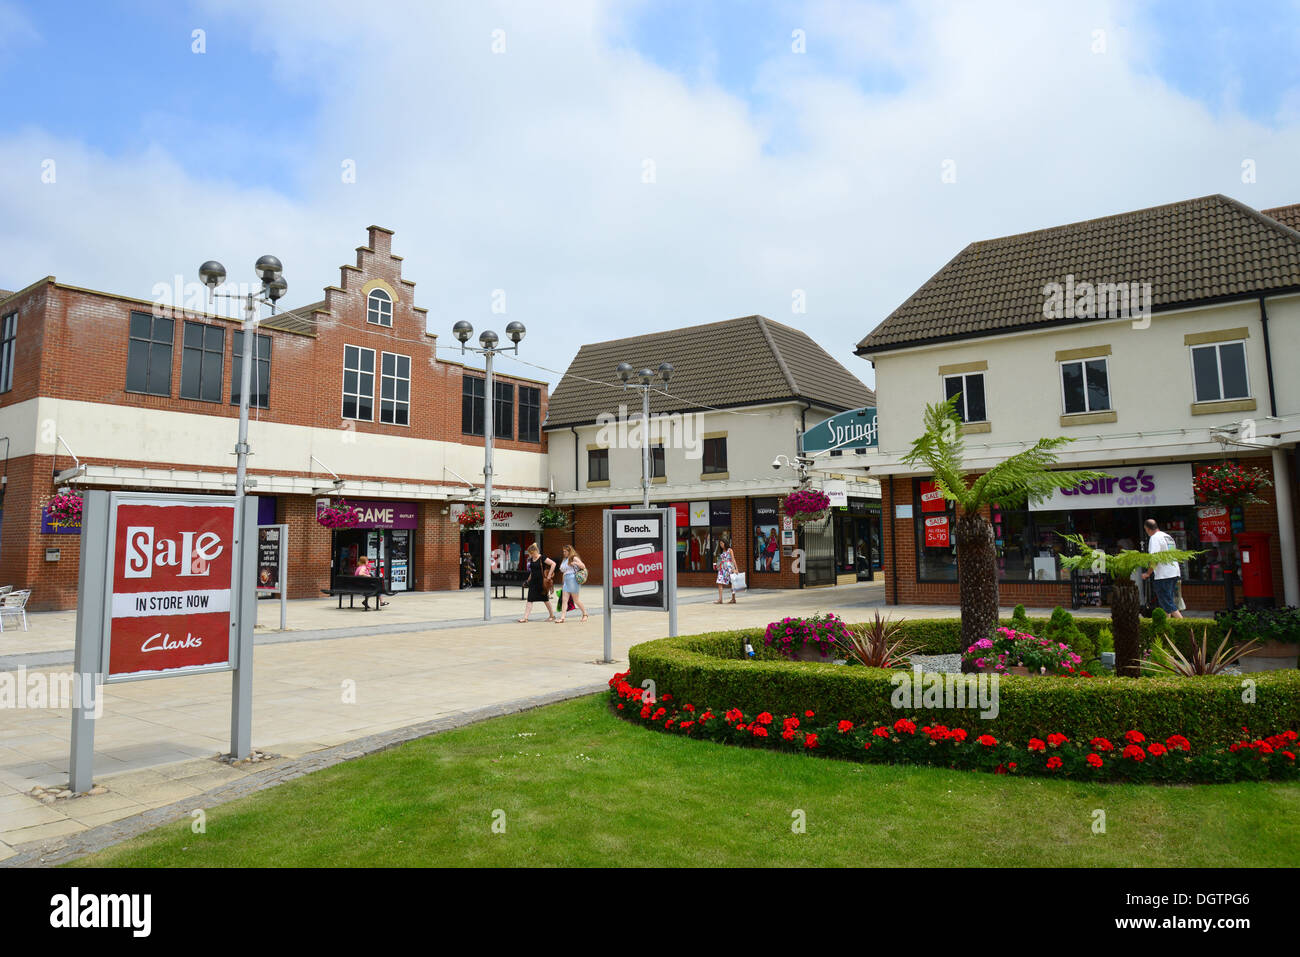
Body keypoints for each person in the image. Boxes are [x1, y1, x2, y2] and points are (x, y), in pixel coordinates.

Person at [1142, 518, 1183, 619]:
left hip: (1164, 575)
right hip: (1174, 572)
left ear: (1147, 529)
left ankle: (1186, 627)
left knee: (1167, 602)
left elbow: (1154, 558)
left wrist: (1148, 573)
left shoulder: (1155, 538)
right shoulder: (1167, 536)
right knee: (1167, 602)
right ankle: (1165, 627)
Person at [518, 543, 556, 622]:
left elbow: (553, 564)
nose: (531, 555)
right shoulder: (532, 559)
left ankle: (552, 616)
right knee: (530, 599)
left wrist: (549, 576)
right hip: (533, 582)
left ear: (536, 551)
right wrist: (528, 580)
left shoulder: (542, 558)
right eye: (530, 554)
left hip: (542, 583)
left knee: (545, 599)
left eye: (532, 553)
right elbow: (532, 572)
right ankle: (525, 618)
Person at [555, 545, 589, 623]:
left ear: (569, 551)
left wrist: (574, 563)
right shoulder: (564, 559)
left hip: (573, 579)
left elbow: (583, 566)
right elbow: (563, 571)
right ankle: (562, 618)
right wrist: (563, 582)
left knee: (576, 600)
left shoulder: (574, 558)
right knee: (564, 600)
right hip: (566, 580)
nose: (564, 553)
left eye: (565, 551)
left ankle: (585, 614)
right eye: (563, 551)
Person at [714, 537, 737, 604]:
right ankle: (720, 599)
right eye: (720, 543)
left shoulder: (730, 550)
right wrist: (717, 566)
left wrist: (736, 569)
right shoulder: (721, 551)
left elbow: (733, 560)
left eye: (722, 543)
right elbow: (721, 560)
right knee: (719, 582)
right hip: (722, 568)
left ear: (725, 543)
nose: (721, 545)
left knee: (732, 583)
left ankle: (733, 599)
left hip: (729, 568)